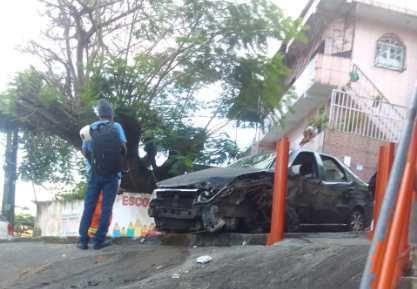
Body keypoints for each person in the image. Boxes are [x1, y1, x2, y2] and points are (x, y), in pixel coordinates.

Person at [77, 99, 127, 250]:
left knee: (89, 206)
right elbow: (124, 148)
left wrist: (93, 163)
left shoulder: (90, 128)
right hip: (112, 174)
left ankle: (83, 240)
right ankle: (99, 241)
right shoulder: (116, 126)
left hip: (94, 173)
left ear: (99, 116)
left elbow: (85, 152)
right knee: (106, 207)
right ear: (111, 116)